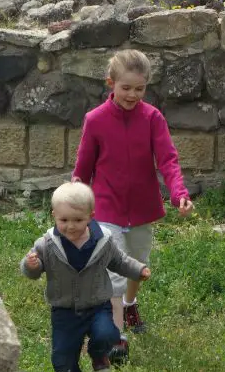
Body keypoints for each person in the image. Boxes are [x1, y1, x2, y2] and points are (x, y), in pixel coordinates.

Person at [72, 49, 194, 339]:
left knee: (136, 266)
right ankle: (116, 339)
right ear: (110, 83)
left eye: (139, 89)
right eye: (126, 88)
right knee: (114, 271)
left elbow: (168, 160)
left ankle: (130, 304)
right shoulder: (95, 120)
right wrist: (75, 204)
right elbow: (83, 168)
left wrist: (179, 194)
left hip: (141, 208)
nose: (132, 95)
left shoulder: (153, 118)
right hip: (105, 208)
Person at [20, 181, 150, 372]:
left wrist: (137, 269)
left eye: (78, 220)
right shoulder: (46, 244)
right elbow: (32, 273)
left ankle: (98, 354)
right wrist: (32, 265)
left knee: (108, 335)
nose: (70, 226)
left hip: (98, 305)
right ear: (53, 215)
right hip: (64, 310)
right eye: (64, 220)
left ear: (91, 216)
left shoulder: (103, 240)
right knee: (63, 354)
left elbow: (119, 261)